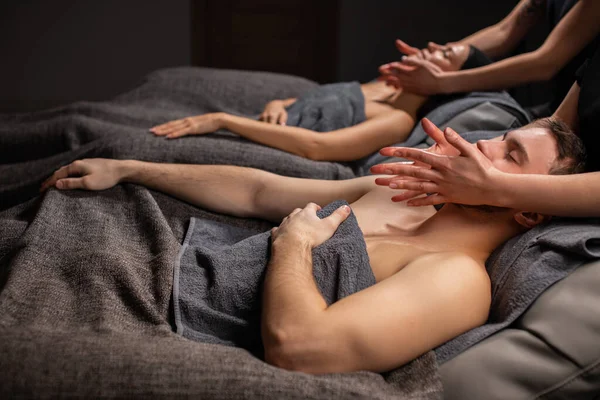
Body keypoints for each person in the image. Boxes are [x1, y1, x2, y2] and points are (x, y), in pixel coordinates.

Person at [40, 118, 584, 374]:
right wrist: (132, 168)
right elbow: (258, 190)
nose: (479, 144)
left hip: (165, 318)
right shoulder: (400, 196)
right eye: (497, 135)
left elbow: (302, 350)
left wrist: (293, 245)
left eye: (509, 155)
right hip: (172, 259)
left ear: (529, 206)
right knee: (75, 158)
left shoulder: (457, 280)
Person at [372, 42, 600, 218]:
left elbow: (546, 61)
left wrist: (492, 186)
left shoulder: (454, 271)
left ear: (530, 216)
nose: (481, 143)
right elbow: (556, 123)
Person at [147, 44, 476, 162]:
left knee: (144, 147)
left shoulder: (398, 120)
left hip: (274, 149)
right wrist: (278, 102)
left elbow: (317, 147)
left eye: (444, 53)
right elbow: (314, 101)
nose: (431, 47)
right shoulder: (379, 87)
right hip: (259, 126)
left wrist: (224, 120)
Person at [379, 0, 600, 117]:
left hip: (580, 114)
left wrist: (440, 82)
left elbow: (546, 63)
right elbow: (505, 32)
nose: (430, 48)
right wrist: (435, 57)